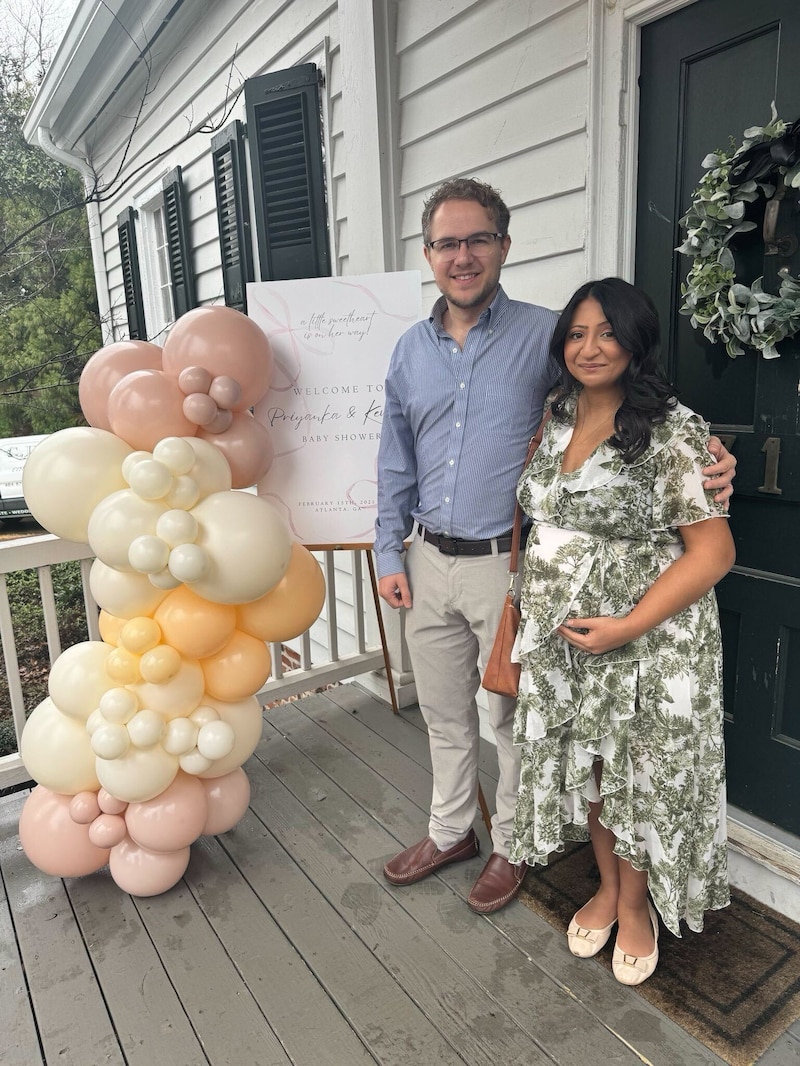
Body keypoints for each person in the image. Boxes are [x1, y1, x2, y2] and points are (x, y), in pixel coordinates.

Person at [373, 177, 736, 915]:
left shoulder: (548, 335)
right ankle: (450, 831)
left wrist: (711, 458)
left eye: (478, 240)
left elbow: (627, 404)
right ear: (428, 254)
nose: (462, 256)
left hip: (504, 567)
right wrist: (388, 554)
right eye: (447, 243)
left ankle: (511, 845)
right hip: (425, 559)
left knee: (506, 714)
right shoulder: (409, 350)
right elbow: (394, 456)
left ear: (503, 247)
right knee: (444, 711)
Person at [510, 277, 734, 983]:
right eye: (576, 333)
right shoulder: (556, 413)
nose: (590, 346)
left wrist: (626, 625)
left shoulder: (674, 430)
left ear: (637, 342)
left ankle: (635, 906)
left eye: (607, 332)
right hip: (571, 640)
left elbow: (714, 552)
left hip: (651, 641)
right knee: (600, 771)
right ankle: (606, 887)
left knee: (643, 774)